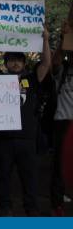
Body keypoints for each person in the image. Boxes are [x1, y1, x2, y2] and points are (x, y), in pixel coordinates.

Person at [0, 26, 50, 216]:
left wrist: (46, 40)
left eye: (18, 60)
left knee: (30, 178)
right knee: (3, 178)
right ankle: (5, 209)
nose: (15, 63)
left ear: (24, 63)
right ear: (6, 63)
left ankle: (31, 210)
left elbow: (46, 63)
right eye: (11, 60)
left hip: (27, 138)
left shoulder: (32, 78)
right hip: (3, 138)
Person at [50, 12, 73, 216]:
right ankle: (57, 203)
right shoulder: (63, 70)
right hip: (63, 123)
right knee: (59, 166)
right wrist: (62, 39)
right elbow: (54, 62)